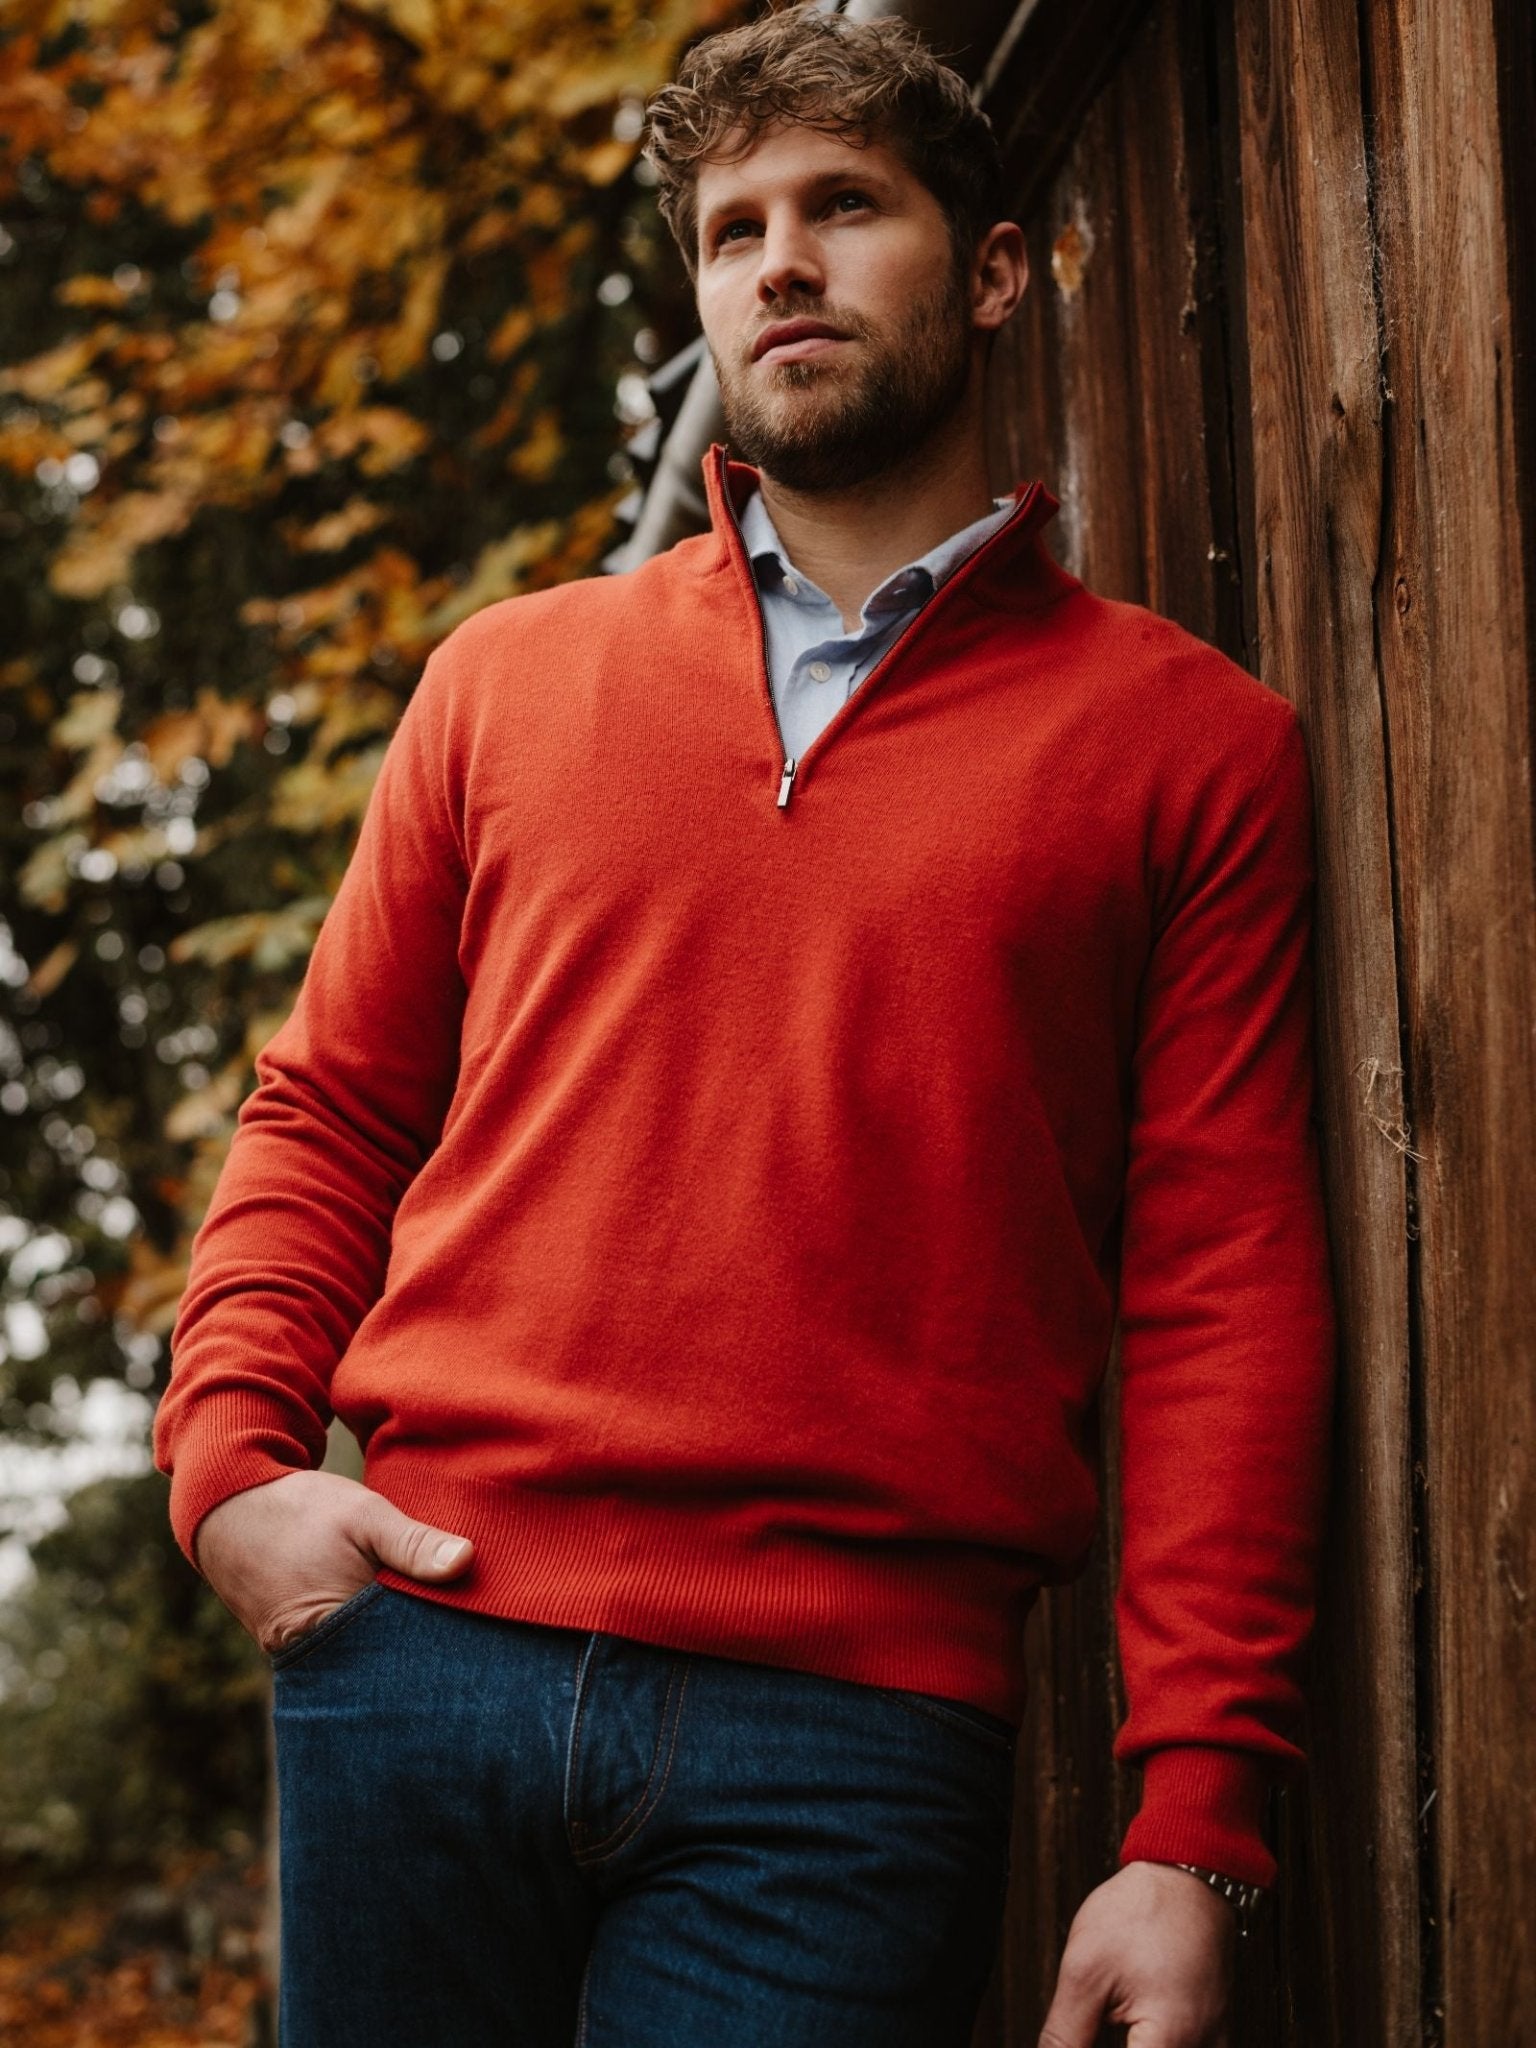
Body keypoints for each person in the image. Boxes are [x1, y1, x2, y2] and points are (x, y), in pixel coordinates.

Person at [152, 7, 1338, 2046]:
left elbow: (1227, 1281)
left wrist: (1194, 1819)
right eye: (732, 229)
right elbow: (331, 1108)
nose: (778, 260)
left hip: (852, 1743)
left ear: (989, 268)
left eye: (844, 207)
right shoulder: (507, 682)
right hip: (419, 1655)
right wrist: (231, 1464)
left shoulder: (1190, 747)